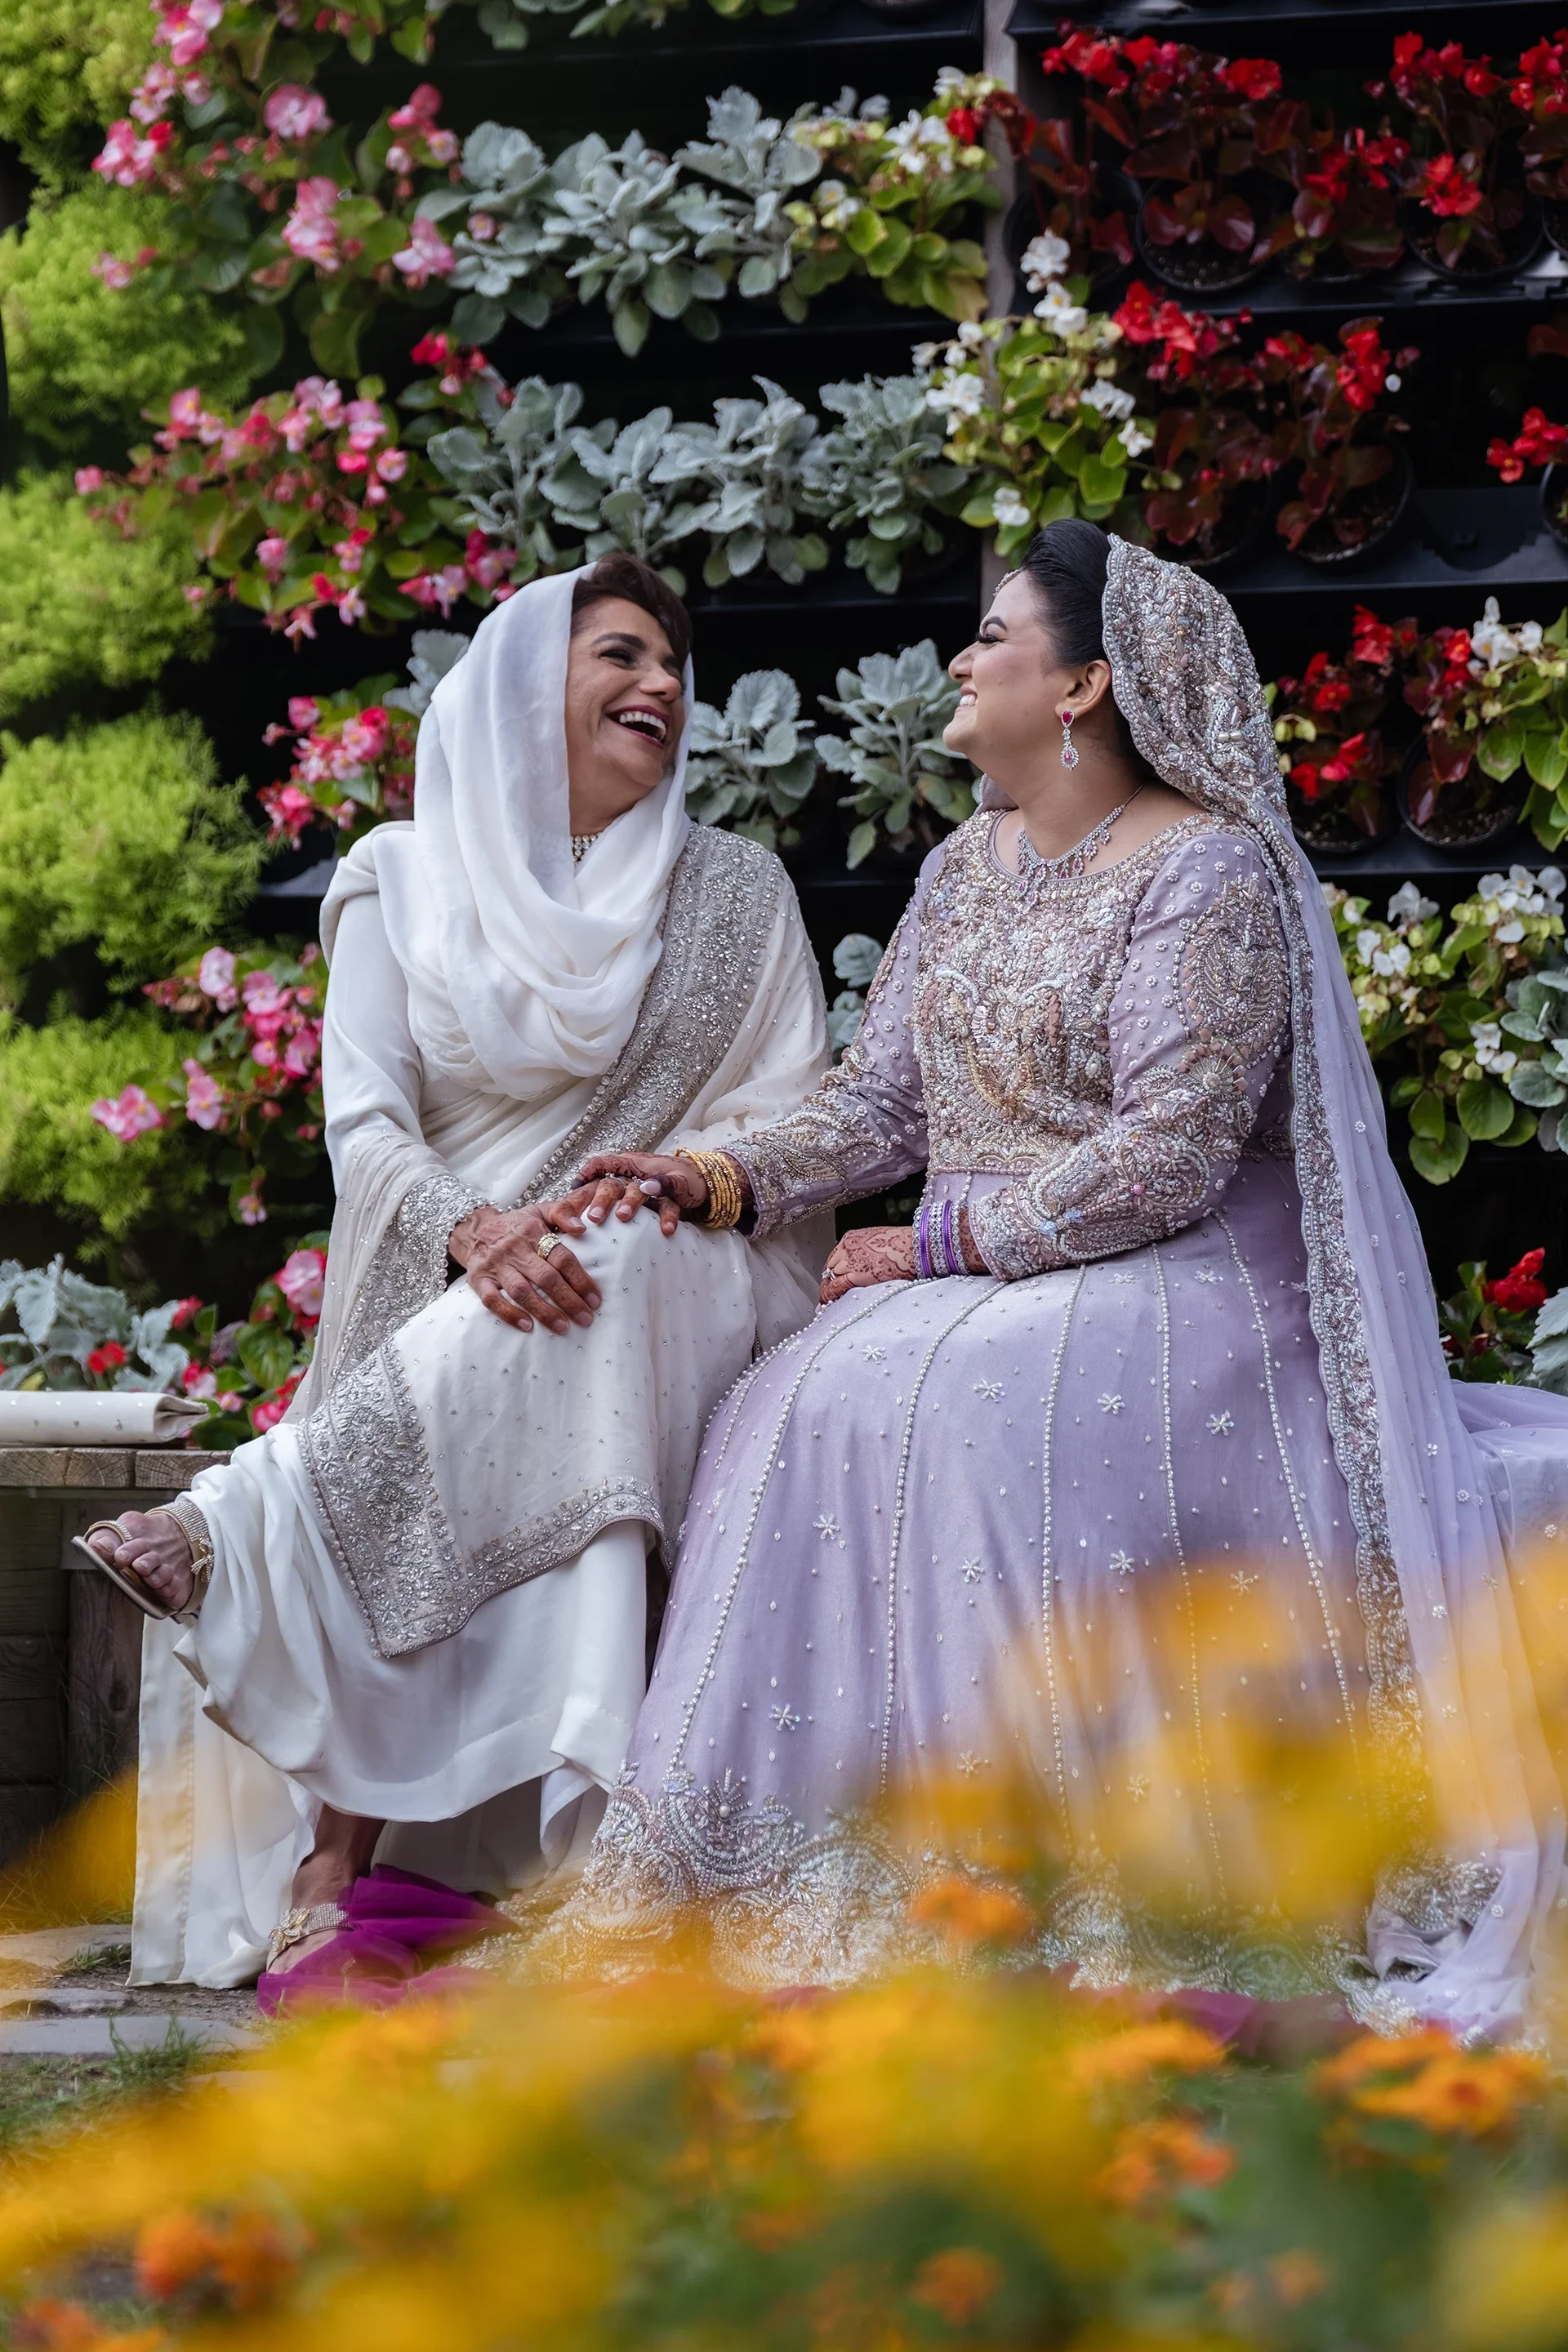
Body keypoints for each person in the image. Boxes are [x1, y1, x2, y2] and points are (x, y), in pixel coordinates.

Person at [546, 523, 1568, 2038]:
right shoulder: (964, 865)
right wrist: (718, 1175)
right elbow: (883, 1105)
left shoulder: (1208, 871)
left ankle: (1052, 1886)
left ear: (1085, 683)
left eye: (995, 639)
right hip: (993, 1271)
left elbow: (1172, 1156)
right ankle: (806, 1866)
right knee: (809, 1384)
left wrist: (942, 1242)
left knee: (948, 1392)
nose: (960, 662)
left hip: (1191, 1273)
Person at [85, 556, 832, 1998]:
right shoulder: (400, 877)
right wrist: (477, 1228)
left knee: (593, 1272)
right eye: (621, 655)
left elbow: (790, 1116)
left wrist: (653, 1185)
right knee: (535, 1305)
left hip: (673, 1262)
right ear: (514, 691)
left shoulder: (738, 896)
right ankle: (345, 1839)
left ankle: (243, 1545)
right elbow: (364, 1125)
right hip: (439, 1269)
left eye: (676, 665)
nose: (663, 686)